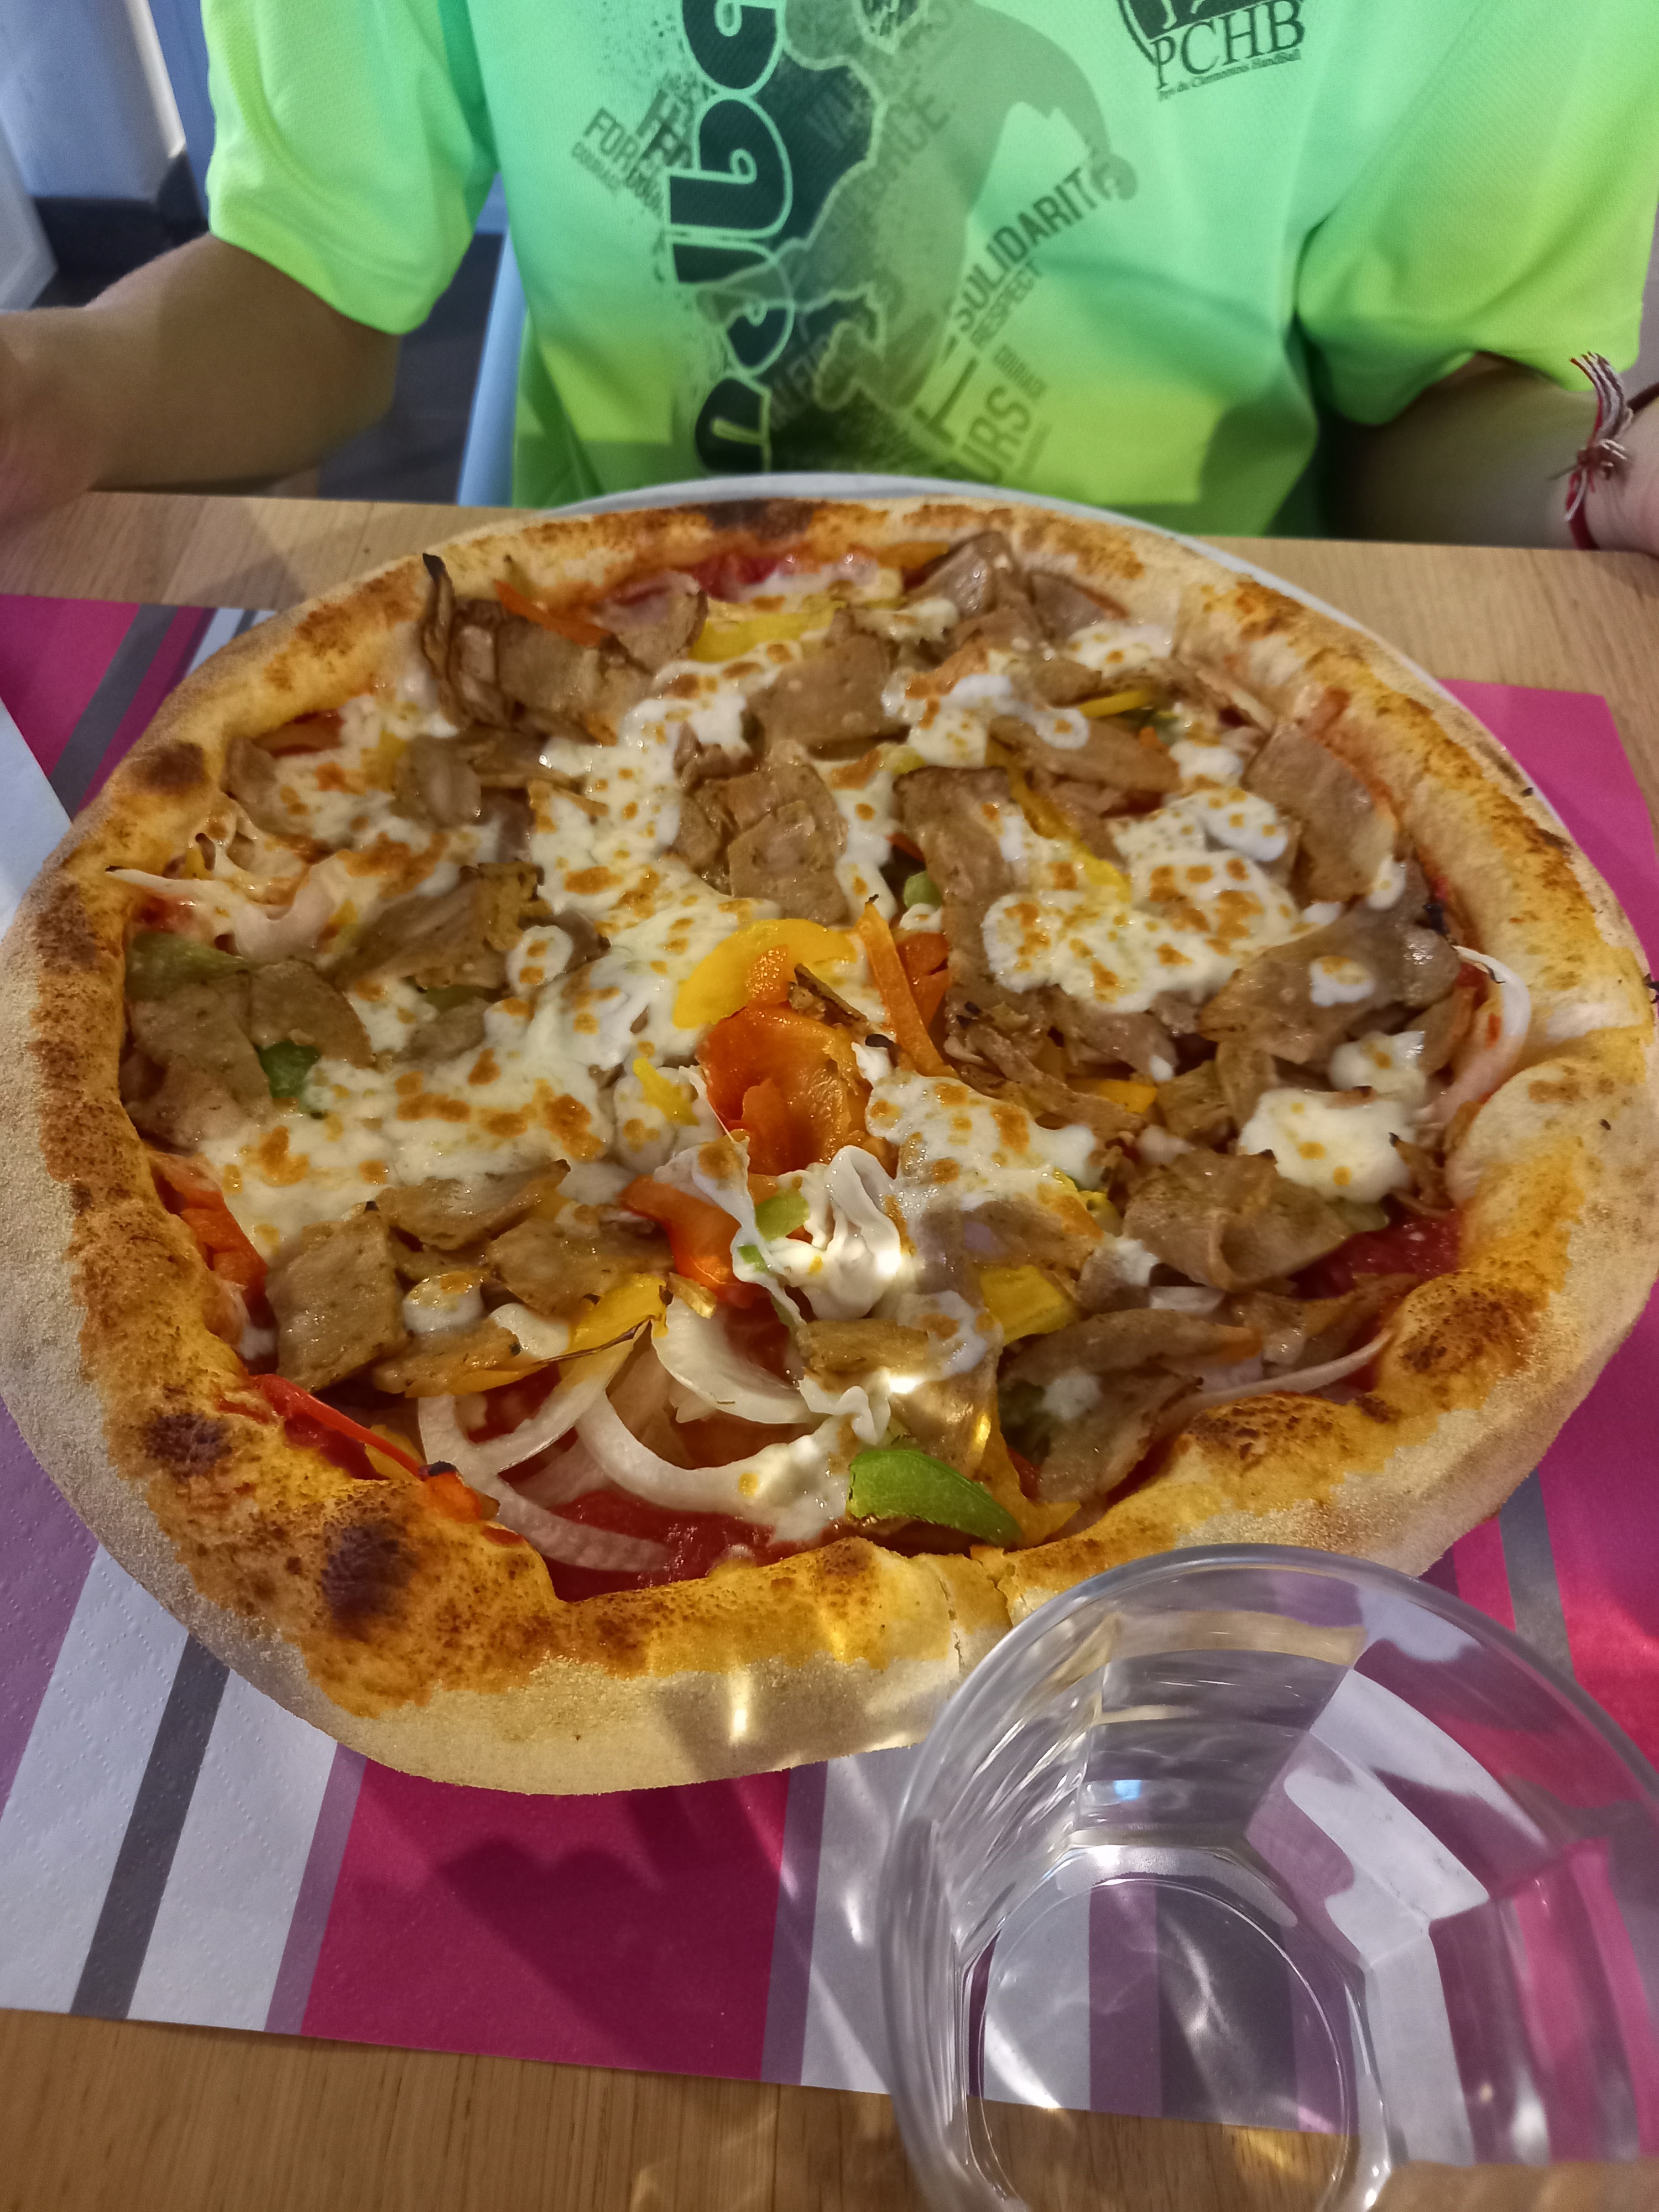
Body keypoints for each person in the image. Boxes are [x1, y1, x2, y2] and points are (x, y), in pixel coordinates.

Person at [1, 0, 1657, 553]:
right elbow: (308, 284)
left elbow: (1445, 400)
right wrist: (77, 387)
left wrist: (1604, 488)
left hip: (1210, 684)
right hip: (606, 643)